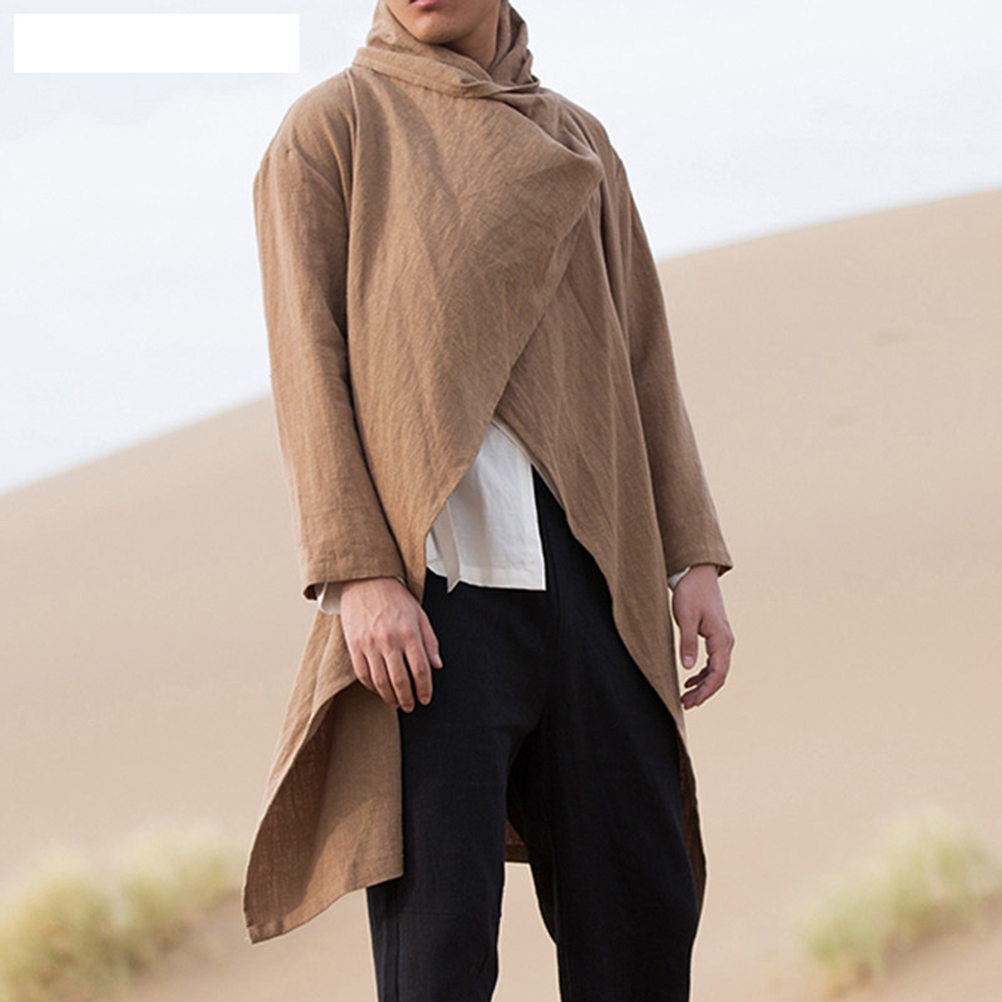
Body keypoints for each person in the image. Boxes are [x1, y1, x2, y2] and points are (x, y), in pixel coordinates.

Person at [242, 1, 734, 999]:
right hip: (431, 609)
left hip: (600, 589)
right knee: (439, 956)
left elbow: (644, 354)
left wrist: (693, 555)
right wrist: (359, 576)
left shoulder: (580, 139)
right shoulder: (334, 130)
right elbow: (308, 368)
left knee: (642, 927)